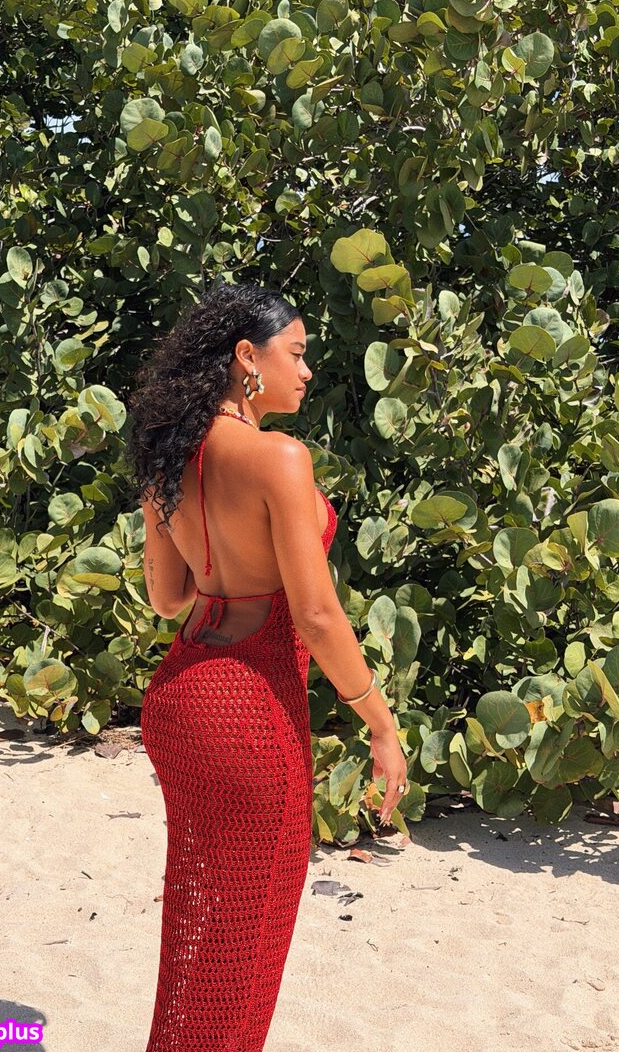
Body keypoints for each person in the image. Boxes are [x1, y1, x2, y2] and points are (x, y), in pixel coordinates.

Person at [123, 280, 408, 1051]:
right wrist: (381, 724)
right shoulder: (280, 457)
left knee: (199, 919)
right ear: (248, 358)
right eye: (298, 353)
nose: (307, 371)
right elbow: (316, 615)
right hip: (249, 713)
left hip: (180, 702)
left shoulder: (168, 454)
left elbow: (168, 598)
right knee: (245, 944)